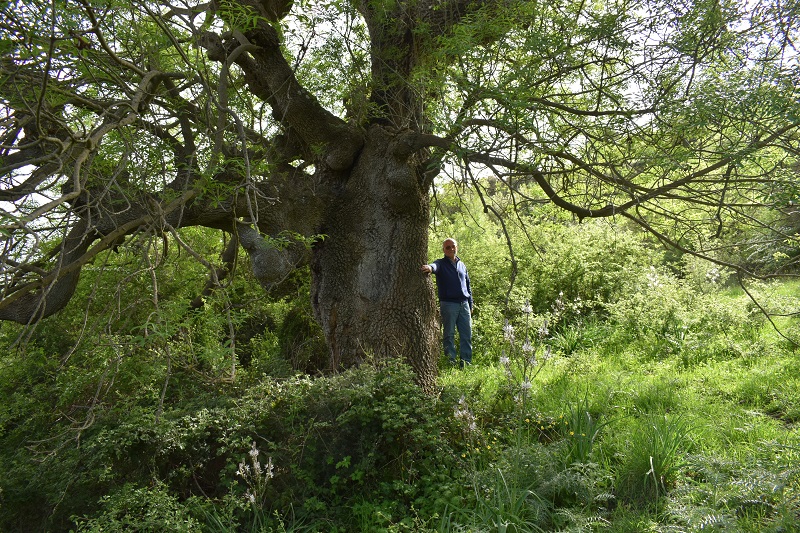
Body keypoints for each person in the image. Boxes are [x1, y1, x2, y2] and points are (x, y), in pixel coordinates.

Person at [421, 238, 473, 368]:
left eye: (453, 246)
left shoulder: (462, 265)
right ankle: (450, 363)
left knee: (466, 335)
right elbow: (434, 266)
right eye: (448, 247)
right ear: (443, 250)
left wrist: (470, 304)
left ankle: (466, 363)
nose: (451, 249)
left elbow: (468, 285)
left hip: (464, 304)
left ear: (457, 247)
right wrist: (429, 268)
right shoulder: (441, 263)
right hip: (449, 304)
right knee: (449, 335)